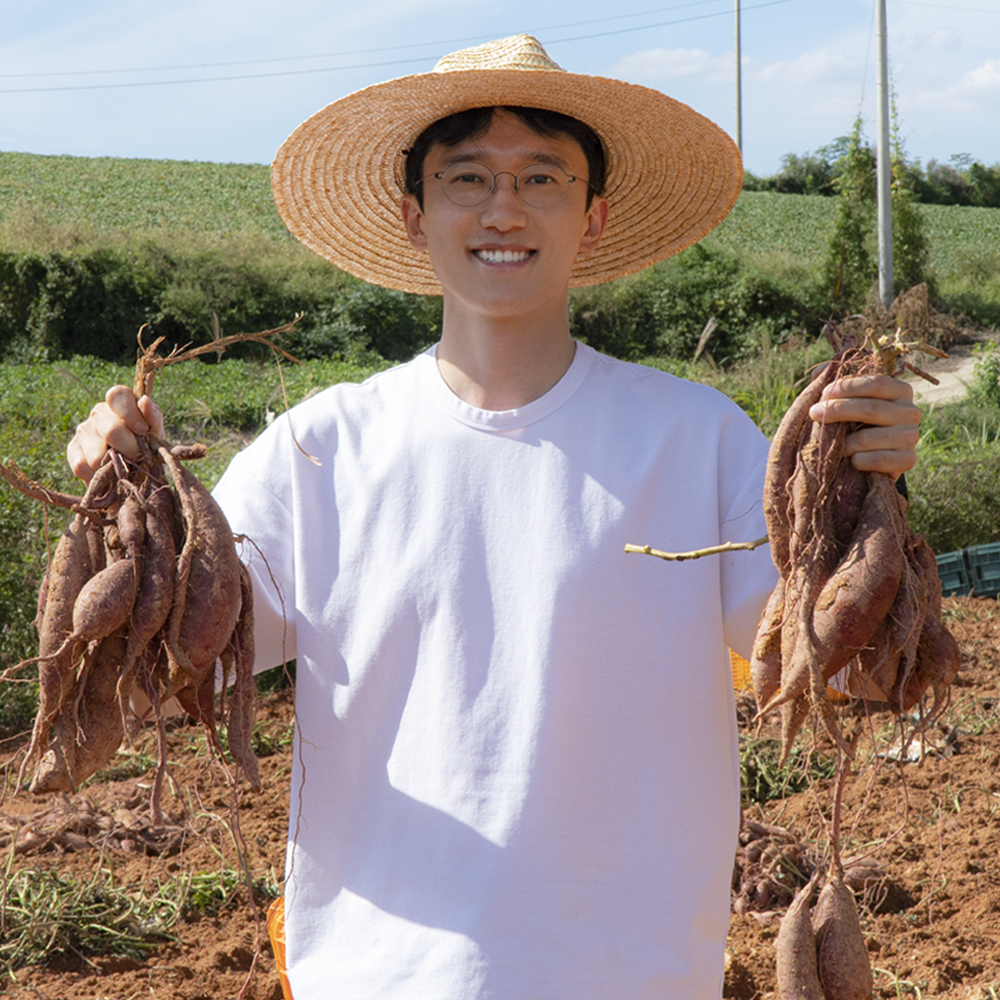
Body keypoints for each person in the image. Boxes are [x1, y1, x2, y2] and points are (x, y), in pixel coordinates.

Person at [68, 35, 920, 1000]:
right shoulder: (320, 448)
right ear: (414, 212)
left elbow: (839, 662)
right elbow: (171, 663)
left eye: (542, 177)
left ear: (592, 216)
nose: (504, 208)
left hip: (630, 974)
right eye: (466, 177)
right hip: (376, 973)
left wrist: (872, 495)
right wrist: (124, 506)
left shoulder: (699, 440)